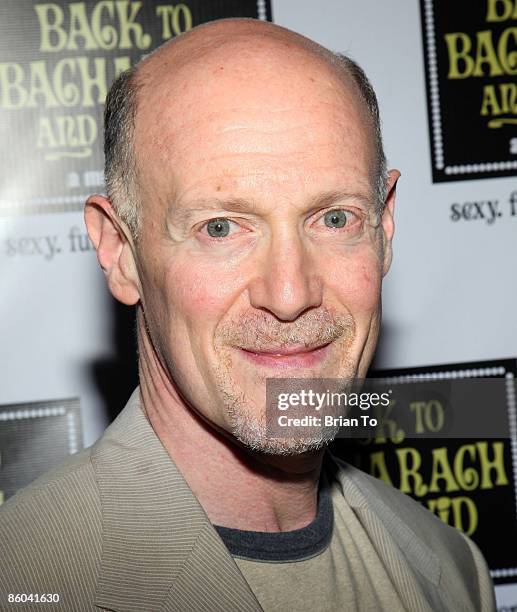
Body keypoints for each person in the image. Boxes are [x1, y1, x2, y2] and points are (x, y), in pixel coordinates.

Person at [0, 18, 495, 612]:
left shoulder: (452, 570)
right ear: (121, 254)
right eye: (220, 228)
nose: (289, 294)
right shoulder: (23, 578)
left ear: (385, 229)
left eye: (335, 219)